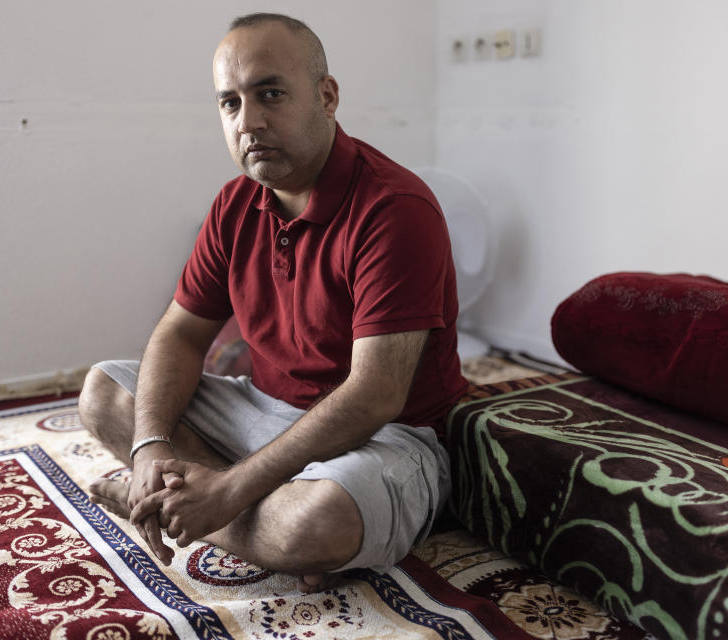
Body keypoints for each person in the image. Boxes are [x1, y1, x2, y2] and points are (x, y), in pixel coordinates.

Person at [82, 12, 467, 593]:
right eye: (230, 104)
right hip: (261, 411)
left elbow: (374, 396)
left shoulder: (395, 208)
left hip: (386, 436)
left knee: (318, 522)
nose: (250, 122)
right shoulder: (235, 203)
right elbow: (181, 335)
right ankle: (246, 520)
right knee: (106, 392)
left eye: (270, 94)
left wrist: (231, 490)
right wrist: (150, 447)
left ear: (327, 96)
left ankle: (211, 512)